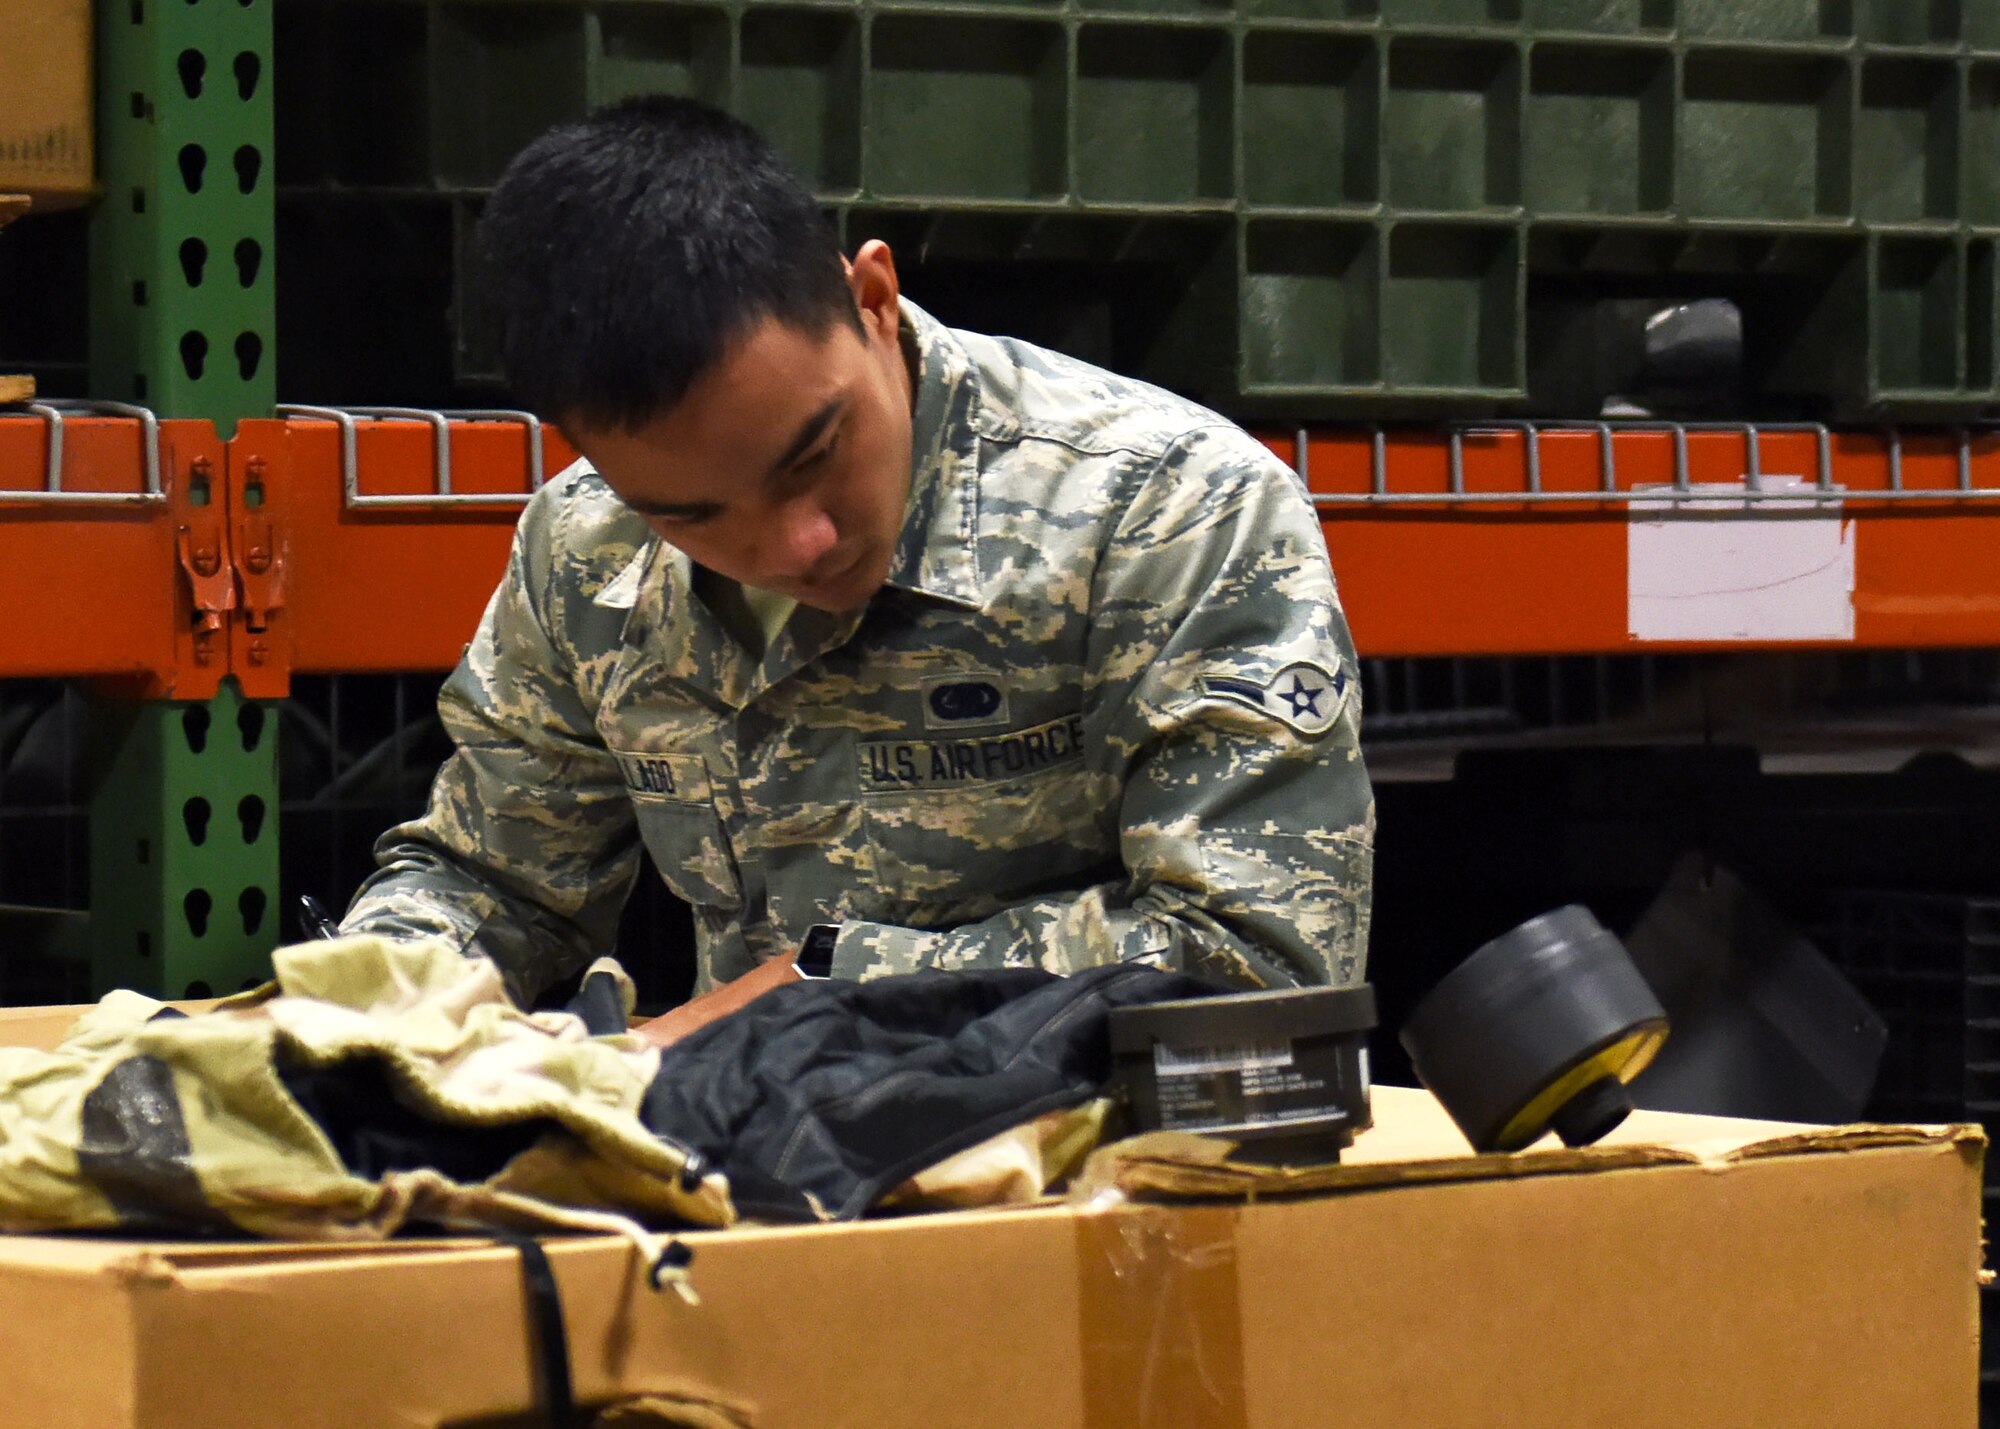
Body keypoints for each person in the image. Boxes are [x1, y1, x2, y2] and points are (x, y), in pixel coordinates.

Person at [339, 96, 1375, 1045]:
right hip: (752, 1188)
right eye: (693, 515)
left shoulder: (1166, 507)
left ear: (873, 298)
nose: (795, 546)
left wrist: (818, 988)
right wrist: (355, 1015)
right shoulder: (587, 547)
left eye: (812, 454)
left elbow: (1259, 963)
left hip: (1083, 1192)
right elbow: (496, 882)